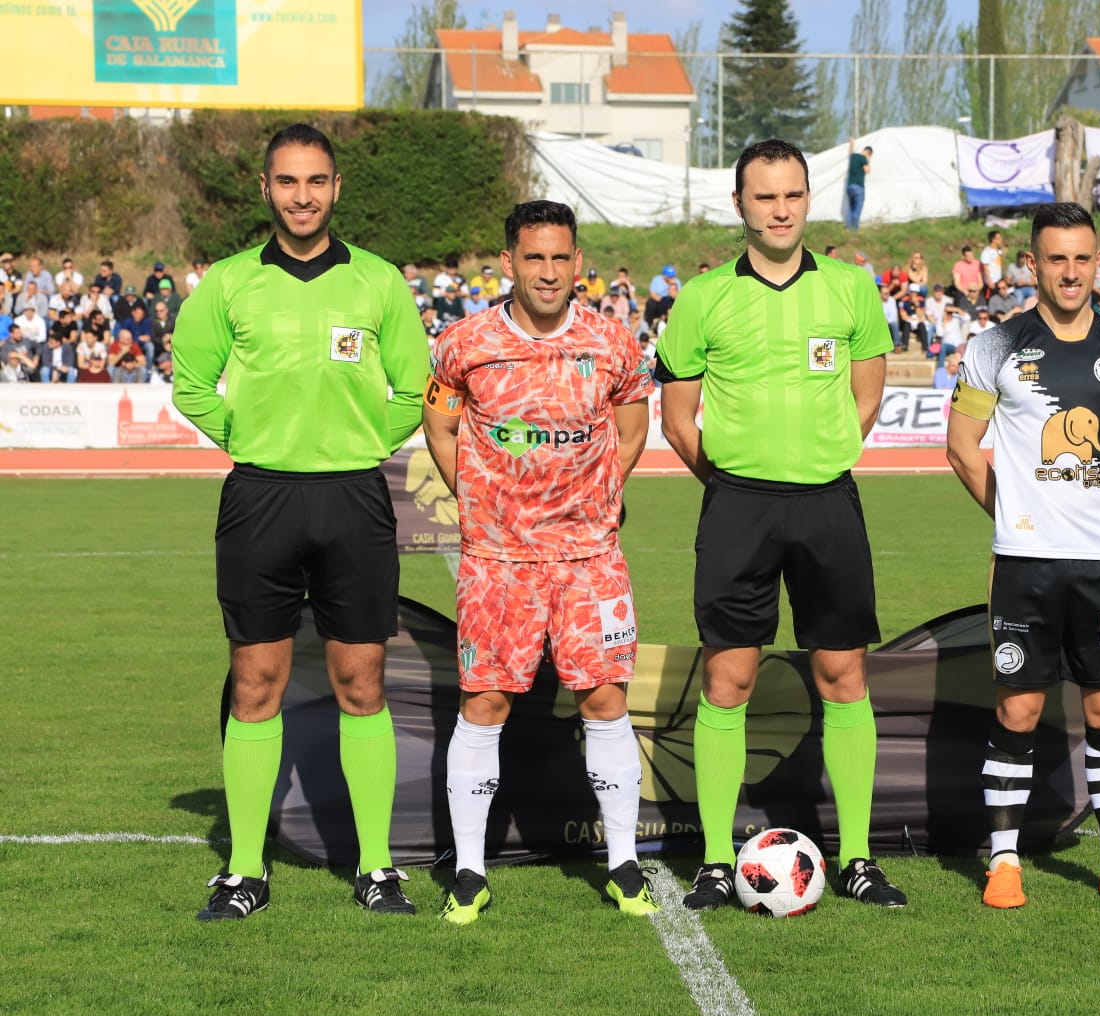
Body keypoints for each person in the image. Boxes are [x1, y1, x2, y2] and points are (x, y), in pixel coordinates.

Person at [173, 123, 430, 921]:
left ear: (336, 187)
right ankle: (244, 871)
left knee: (362, 681)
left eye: (316, 181)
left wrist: (360, 446)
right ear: (265, 189)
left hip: (354, 498)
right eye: (287, 181)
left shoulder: (380, 283)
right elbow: (191, 385)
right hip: (261, 500)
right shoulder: (227, 284)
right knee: (257, 684)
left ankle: (377, 868)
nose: (303, 196)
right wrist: (251, 441)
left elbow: (414, 391)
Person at [656, 138, 905, 910]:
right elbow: (676, 418)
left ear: (807, 198)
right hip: (738, 506)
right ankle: (714, 859)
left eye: (792, 194)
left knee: (843, 675)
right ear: (740, 205)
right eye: (764, 197)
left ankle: (859, 858)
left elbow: (866, 399)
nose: (780, 209)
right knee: (727, 680)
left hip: (828, 501)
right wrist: (735, 481)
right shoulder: (702, 298)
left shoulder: (851, 289)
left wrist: (814, 460)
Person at [422, 200, 657, 923]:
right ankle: (468, 871)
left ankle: (623, 864)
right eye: (534, 259)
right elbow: (440, 420)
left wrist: (597, 497)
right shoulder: (464, 343)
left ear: (578, 264)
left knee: (606, 701)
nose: (549, 273)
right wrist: (478, 497)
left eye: (561, 259)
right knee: (485, 703)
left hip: (591, 558)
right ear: (509, 264)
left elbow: (633, 420)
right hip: (499, 561)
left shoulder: (615, 342)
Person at [945, 202, 1100, 911]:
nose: (1070, 272)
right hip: (1025, 564)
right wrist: (1019, 513)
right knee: (1018, 709)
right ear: (1032, 264)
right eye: (1056, 259)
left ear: (1097, 261)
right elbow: (960, 445)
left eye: (1082, 258)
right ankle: (1004, 863)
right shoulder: (994, 346)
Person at [844, 138, 872, 231]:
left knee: (851, 207)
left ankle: (847, 228)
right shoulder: (863, 158)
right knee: (857, 209)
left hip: (849, 186)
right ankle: (855, 229)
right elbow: (867, 171)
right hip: (858, 187)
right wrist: (868, 160)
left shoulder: (853, 156)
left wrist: (852, 143)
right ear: (869, 153)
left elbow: (851, 151)